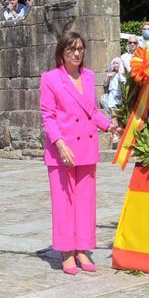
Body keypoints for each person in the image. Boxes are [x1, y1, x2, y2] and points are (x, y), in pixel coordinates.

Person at [39, 32, 117, 274]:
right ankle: (66, 251)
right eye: (71, 48)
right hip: (62, 149)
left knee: (85, 201)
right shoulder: (50, 79)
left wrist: (109, 125)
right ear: (62, 52)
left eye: (80, 48)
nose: (76, 53)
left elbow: (91, 110)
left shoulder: (89, 76)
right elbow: (48, 116)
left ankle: (83, 248)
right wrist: (60, 143)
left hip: (86, 148)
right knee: (64, 202)